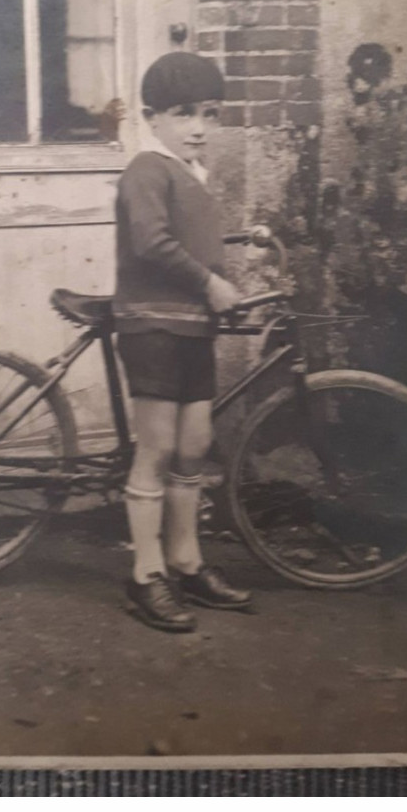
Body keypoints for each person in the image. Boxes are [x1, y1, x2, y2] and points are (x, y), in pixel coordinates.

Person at [113, 51, 252, 632]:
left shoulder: (192, 175)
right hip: (152, 325)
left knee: (195, 443)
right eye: (183, 114)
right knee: (159, 447)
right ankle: (147, 573)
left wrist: (241, 240)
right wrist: (210, 281)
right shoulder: (147, 169)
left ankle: (187, 560)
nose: (198, 126)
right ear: (152, 118)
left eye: (209, 114)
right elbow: (150, 242)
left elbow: (191, 239)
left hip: (192, 325)